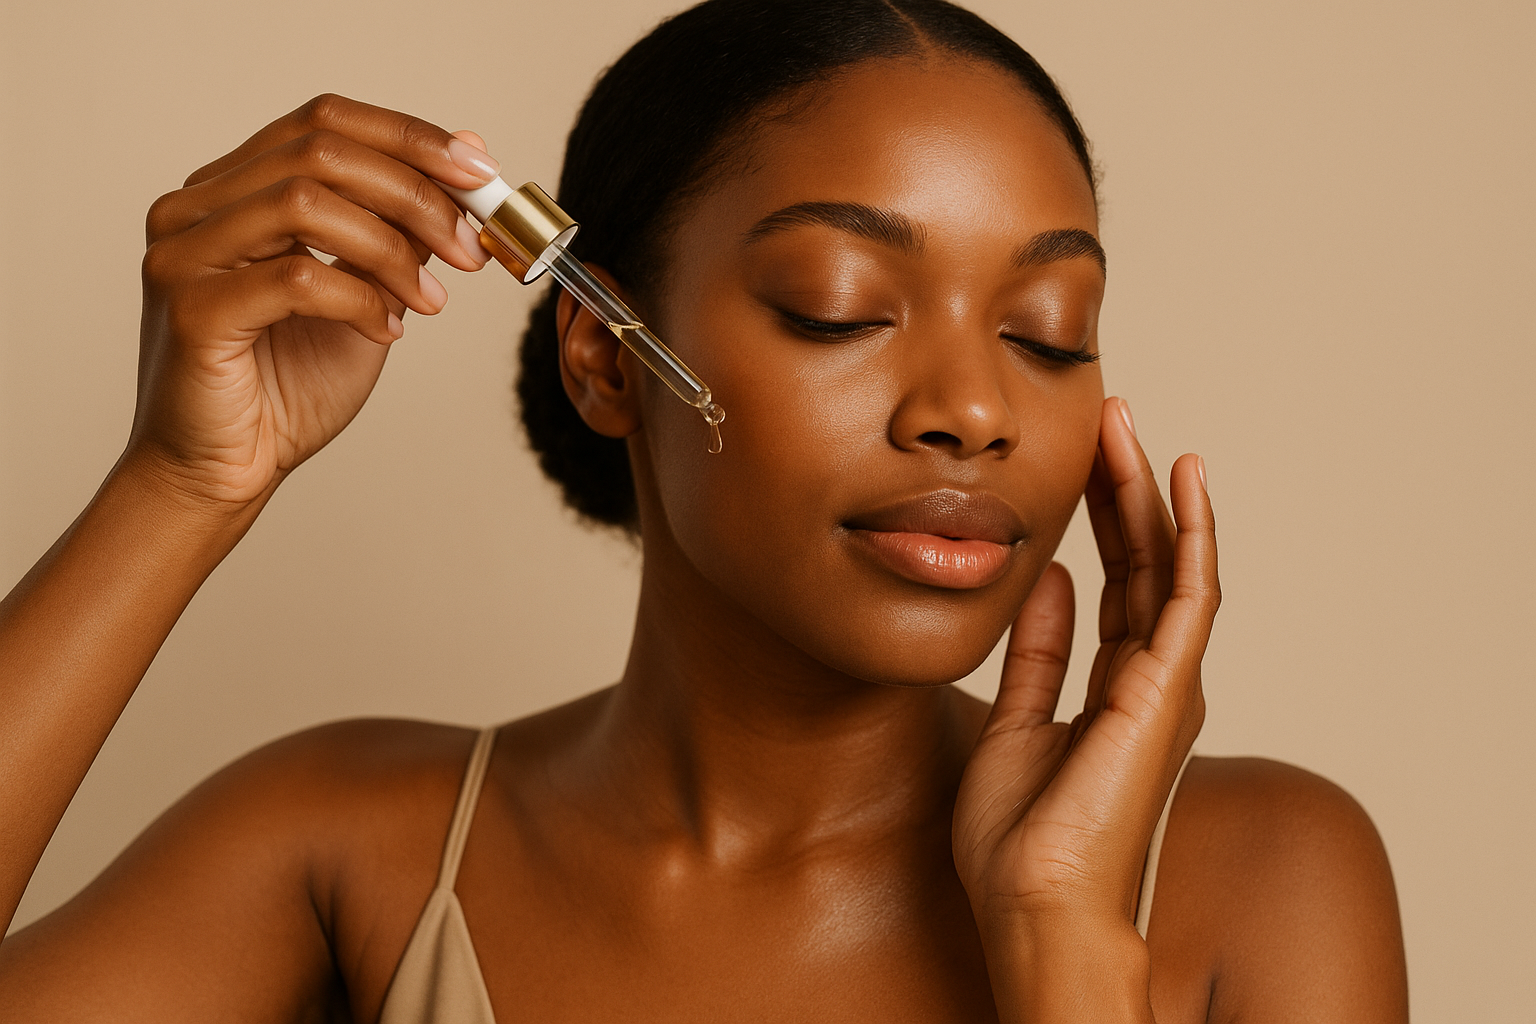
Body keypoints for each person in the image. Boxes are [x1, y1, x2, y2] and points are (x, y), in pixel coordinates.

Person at [0, 0, 1408, 1019]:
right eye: (838, 308)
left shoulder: (1267, 880)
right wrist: (181, 482)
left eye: (1046, 330)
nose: (976, 410)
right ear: (610, 357)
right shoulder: (350, 844)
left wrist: (1062, 945)